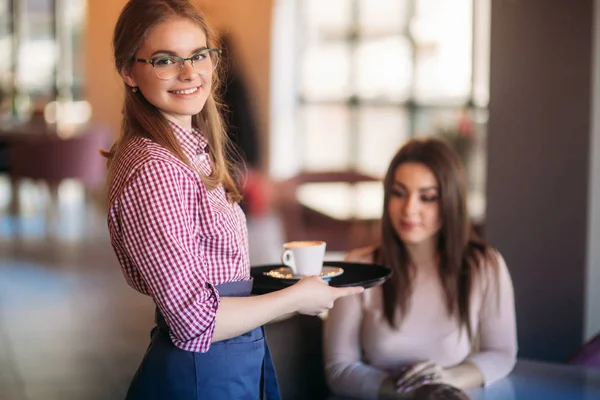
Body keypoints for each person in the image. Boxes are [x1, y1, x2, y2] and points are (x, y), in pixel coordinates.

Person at [103, 1, 363, 399]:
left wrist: (281, 285)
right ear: (129, 71)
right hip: (201, 376)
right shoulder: (156, 170)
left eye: (198, 55)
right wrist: (296, 297)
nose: (190, 72)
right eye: (164, 60)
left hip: (229, 362)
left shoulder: (186, 152)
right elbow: (194, 321)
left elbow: (211, 276)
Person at [323, 137, 517, 400]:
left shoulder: (484, 265)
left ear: (450, 201)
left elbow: (502, 353)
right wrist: (405, 391)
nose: (409, 209)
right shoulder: (359, 267)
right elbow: (339, 369)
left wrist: (447, 380)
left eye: (427, 197)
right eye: (399, 193)